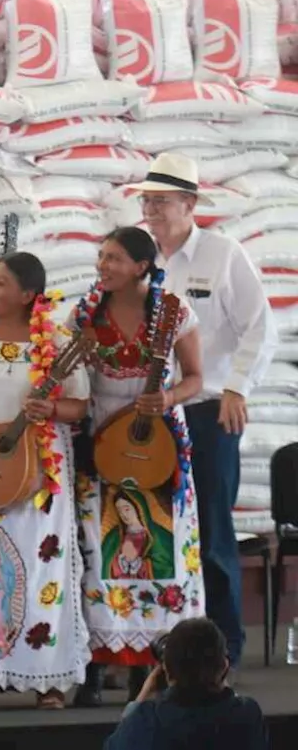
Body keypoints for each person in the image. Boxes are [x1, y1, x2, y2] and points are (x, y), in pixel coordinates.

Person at [128, 153, 278, 669]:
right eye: (146, 200)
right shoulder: (137, 258)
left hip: (207, 411)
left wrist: (237, 388)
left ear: (190, 205)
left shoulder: (222, 254)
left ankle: (224, 648)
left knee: (211, 531)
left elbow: (260, 327)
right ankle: (152, 644)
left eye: (162, 201)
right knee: (144, 527)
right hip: (146, 415)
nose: (151, 210)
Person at [0, 252, 91, 711]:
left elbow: (80, 406)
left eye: (1, 283)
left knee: (41, 567)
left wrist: (51, 409)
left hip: (37, 471)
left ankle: (48, 678)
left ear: (29, 295)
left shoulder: (58, 341)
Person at [71, 227, 207, 707]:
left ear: (141, 266)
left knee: (156, 553)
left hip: (158, 444)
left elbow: (196, 378)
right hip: (101, 441)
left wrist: (166, 396)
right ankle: (91, 664)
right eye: (101, 256)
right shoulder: (83, 316)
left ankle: (151, 667)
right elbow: (69, 380)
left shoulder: (174, 313)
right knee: (97, 549)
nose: (102, 265)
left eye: (113, 258)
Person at [104, 618, 267, 750]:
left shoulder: (144, 719)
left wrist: (143, 696)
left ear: (166, 668)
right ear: (224, 666)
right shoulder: (247, 714)